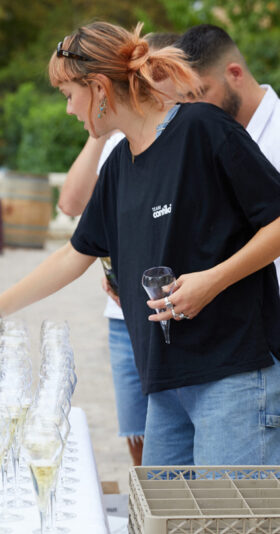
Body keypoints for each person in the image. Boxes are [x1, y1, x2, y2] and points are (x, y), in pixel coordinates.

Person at [0, 21, 280, 466]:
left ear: (99, 88)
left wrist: (211, 282)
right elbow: (73, 255)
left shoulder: (202, 129)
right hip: (166, 381)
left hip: (237, 372)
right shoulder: (119, 164)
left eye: (68, 95)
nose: (68, 110)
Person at [176, 24, 280, 417]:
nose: (196, 108)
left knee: (266, 476)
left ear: (234, 74)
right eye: (187, 99)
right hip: (229, 340)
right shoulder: (213, 133)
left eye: (202, 94)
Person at [58, 31, 179, 466]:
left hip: (179, 315)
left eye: (70, 95)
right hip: (123, 313)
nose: (67, 108)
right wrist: (99, 123)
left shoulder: (191, 132)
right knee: (141, 437)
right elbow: (71, 209)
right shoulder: (114, 144)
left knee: (176, 447)